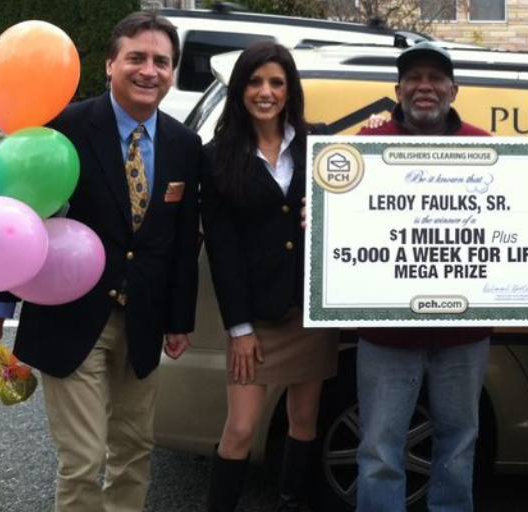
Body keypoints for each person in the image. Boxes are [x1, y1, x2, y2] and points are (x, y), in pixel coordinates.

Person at [0, 10, 201, 512]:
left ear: (173, 72)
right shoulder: (62, 129)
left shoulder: (185, 144)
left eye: (161, 61)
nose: (148, 70)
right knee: (83, 457)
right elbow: (19, 222)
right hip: (71, 319)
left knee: (135, 449)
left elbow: (180, 242)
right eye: (136, 57)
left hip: (144, 320)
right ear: (110, 64)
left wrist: (179, 320)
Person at [200, 41, 337, 512]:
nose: (266, 92)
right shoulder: (217, 157)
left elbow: (356, 210)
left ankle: (290, 503)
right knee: (240, 429)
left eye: (276, 82)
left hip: (308, 311)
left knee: (304, 421)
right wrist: (238, 328)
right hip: (255, 317)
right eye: (256, 81)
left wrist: (326, 215)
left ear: (289, 90)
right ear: (241, 89)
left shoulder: (319, 145)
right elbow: (222, 250)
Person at [354, 40, 491, 512]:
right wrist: (322, 218)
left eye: (436, 78)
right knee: (378, 448)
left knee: (458, 444)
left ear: (454, 89)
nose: (425, 87)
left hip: (463, 335)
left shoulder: (487, 148)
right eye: (414, 78)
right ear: (398, 89)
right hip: (386, 336)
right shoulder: (366, 148)